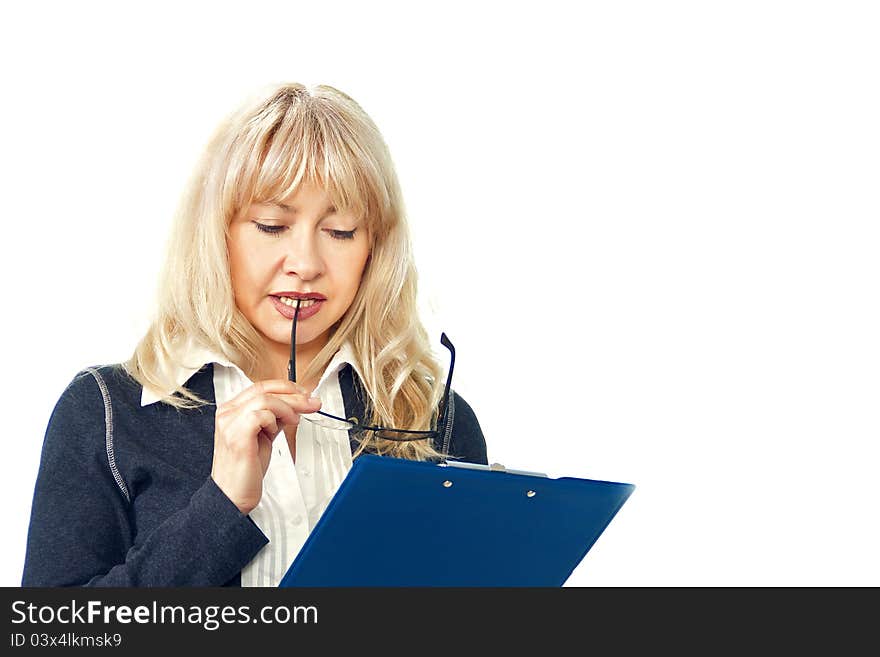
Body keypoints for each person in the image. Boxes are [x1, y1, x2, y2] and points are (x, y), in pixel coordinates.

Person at [21, 83, 487, 587]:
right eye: (270, 226)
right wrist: (219, 507)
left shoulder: (434, 417)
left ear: (375, 248)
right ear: (218, 234)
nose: (306, 265)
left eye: (341, 232)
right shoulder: (106, 411)